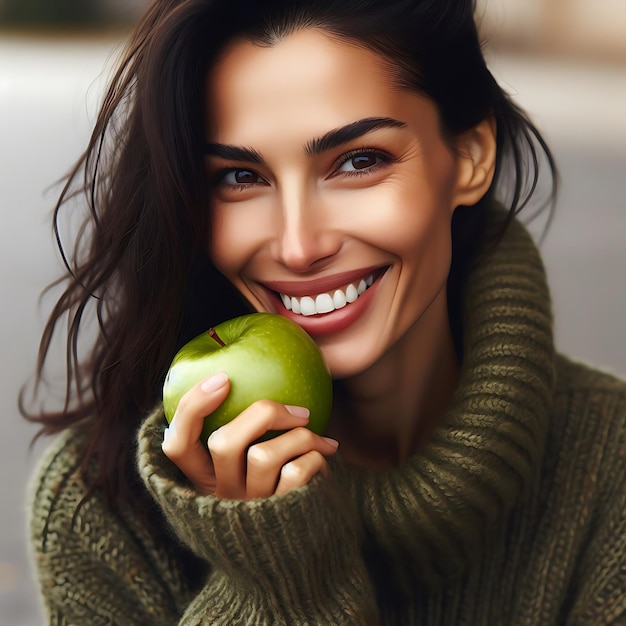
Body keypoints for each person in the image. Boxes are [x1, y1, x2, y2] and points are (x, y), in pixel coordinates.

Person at [23, 0, 626, 624]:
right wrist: (270, 583)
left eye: (359, 161)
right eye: (239, 176)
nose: (299, 245)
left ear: (470, 157)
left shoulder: (611, 470)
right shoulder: (103, 508)